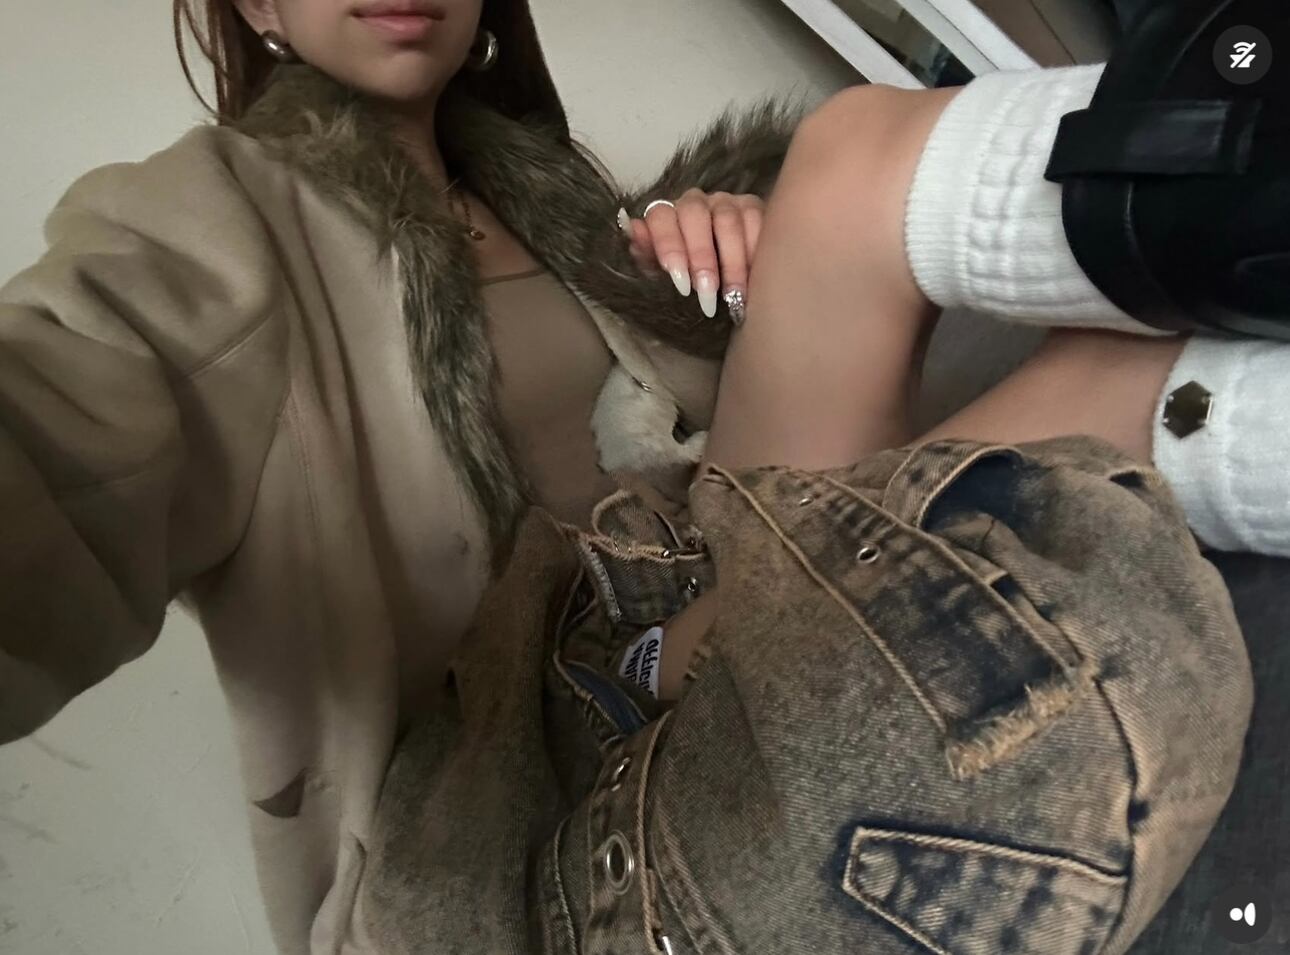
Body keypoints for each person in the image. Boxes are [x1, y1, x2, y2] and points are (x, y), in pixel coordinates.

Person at [0, 0, 1280, 952]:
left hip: (696, 617)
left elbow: (712, 463)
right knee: (869, 188)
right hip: (528, 808)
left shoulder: (565, 205)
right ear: (254, 5)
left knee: (920, 214)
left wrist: (750, 270)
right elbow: (64, 416)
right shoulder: (205, 227)